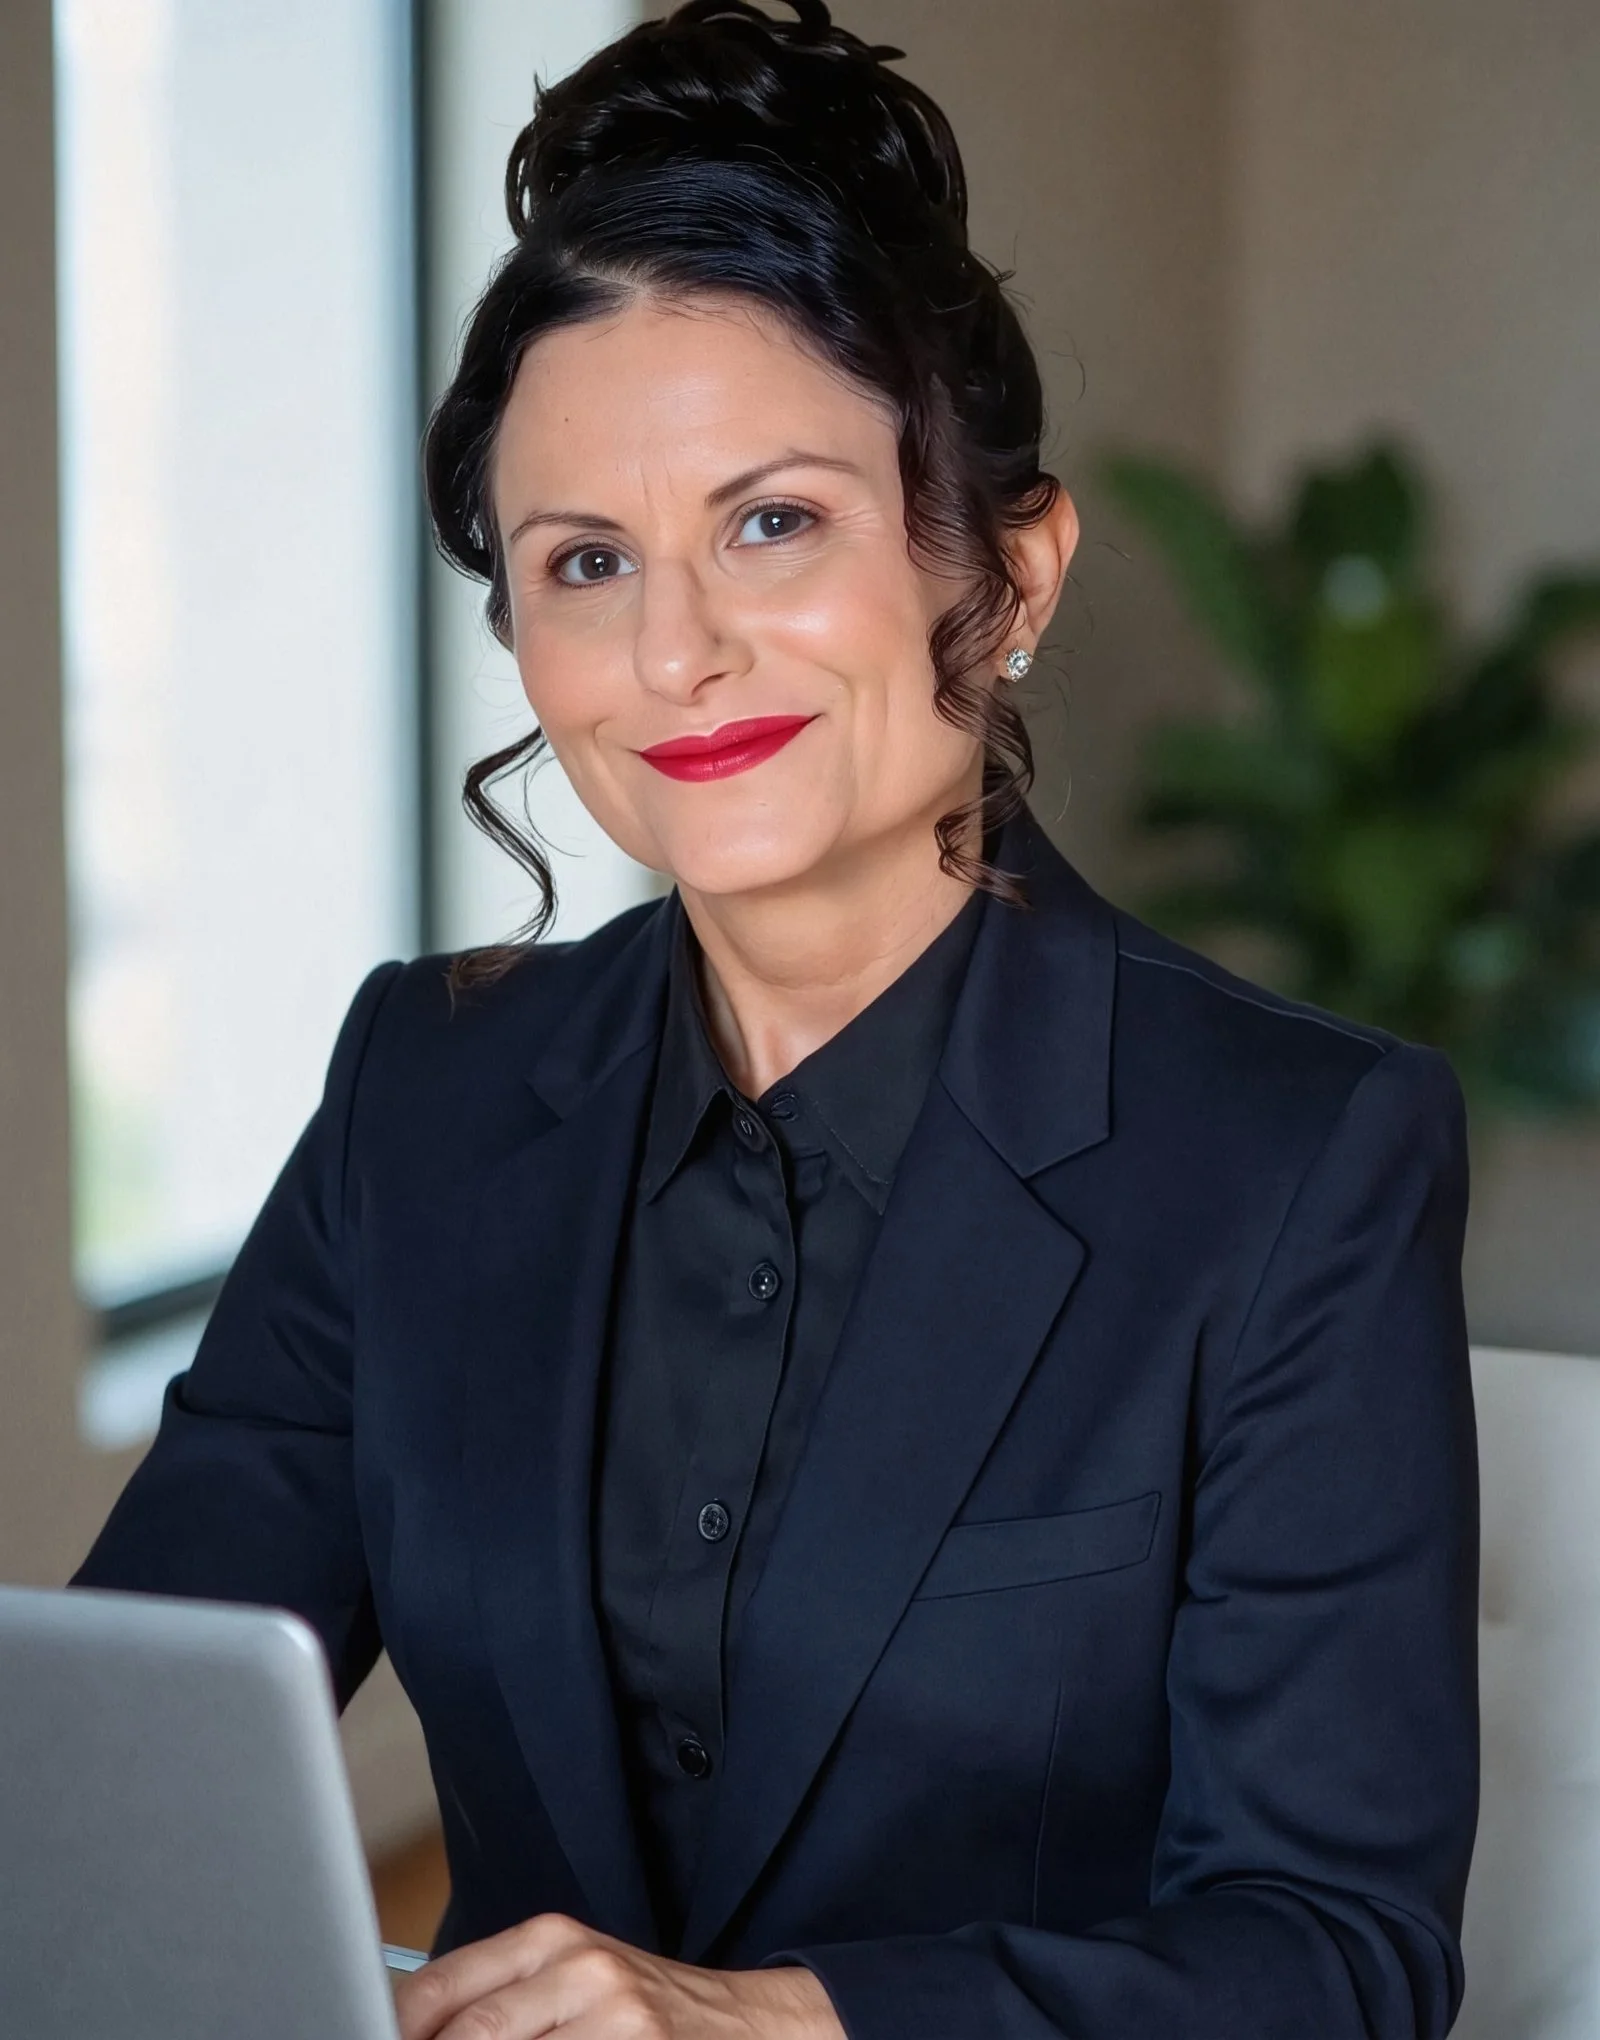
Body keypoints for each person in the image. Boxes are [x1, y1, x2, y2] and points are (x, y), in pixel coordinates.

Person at [73, 4, 1479, 2035]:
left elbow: (1333, 1956)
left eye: (771, 522)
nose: (674, 651)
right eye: (585, 561)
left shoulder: (1294, 1160)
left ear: (1008, 574)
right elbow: (129, 1764)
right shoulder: (420, 1092)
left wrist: (770, 2023)